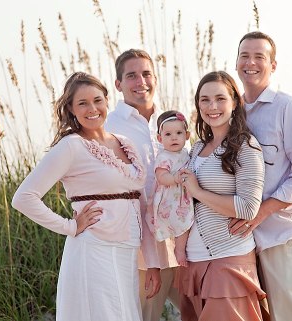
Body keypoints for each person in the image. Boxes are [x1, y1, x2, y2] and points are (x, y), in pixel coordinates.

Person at [12, 72, 151, 321]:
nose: (92, 109)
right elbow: (23, 197)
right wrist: (71, 226)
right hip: (94, 249)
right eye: (82, 103)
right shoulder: (71, 146)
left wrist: (150, 258)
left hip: (128, 250)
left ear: (107, 101)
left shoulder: (125, 142)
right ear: (71, 109)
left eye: (97, 100)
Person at [230, 31, 292, 320]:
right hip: (241, 242)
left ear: (273, 65)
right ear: (236, 63)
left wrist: (262, 212)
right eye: (245, 56)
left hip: (283, 235)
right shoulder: (232, 112)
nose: (251, 62)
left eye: (259, 56)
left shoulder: (288, 108)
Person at [177, 71, 266, 321]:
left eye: (220, 98)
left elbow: (248, 207)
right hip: (194, 262)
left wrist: (197, 192)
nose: (212, 106)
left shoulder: (245, 146)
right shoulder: (196, 148)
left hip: (229, 258)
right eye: (204, 100)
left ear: (235, 102)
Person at [105, 49, 180, 321]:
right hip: (139, 247)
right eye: (131, 76)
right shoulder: (109, 126)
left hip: (181, 240)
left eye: (146, 74)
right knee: (144, 315)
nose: (141, 81)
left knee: (203, 309)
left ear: (156, 78)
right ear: (118, 84)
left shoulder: (172, 122)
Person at [146, 110, 194, 267]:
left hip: (184, 196)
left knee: (186, 222)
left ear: (187, 136)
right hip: (170, 198)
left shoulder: (187, 153)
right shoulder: (163, 157)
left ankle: (183, 248)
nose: (174, 137)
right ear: (160, 139)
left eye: (179, 133)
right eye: (168, 134)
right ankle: (179, 250)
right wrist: (174, 178)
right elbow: (161, 177)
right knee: (181, 223)